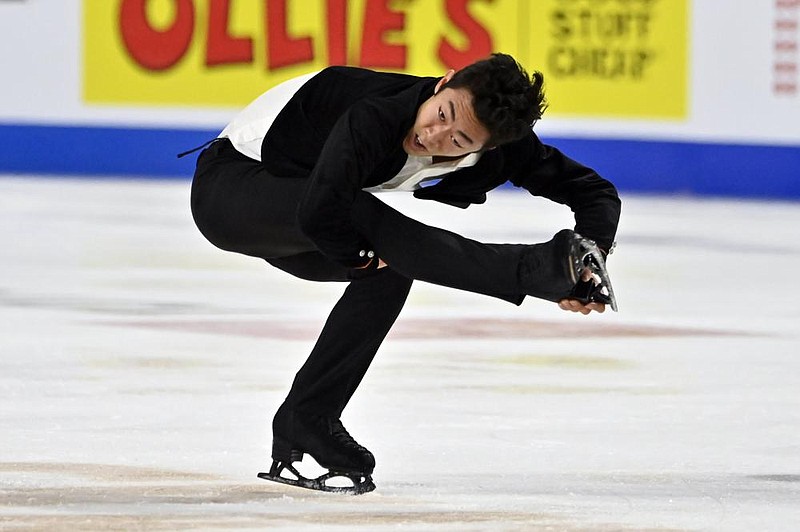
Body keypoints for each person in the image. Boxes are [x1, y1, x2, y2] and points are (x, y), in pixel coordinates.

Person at [189, 53, 621, 494]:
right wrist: (359, 258)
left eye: (459, 139)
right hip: (231, 190)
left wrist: (588, 262)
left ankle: (308, 417)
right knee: (363, 220)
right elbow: (323, 212)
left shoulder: (503, 149)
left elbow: (594, 192)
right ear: (444, 82)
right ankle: (531, 270)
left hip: (305, 209)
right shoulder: (373, 113)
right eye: (442, 114)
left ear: (488, 147)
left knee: (391, 269)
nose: (433, 135)